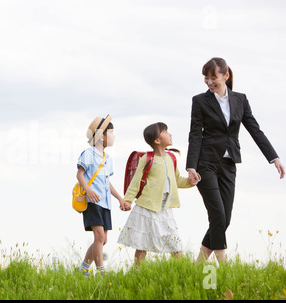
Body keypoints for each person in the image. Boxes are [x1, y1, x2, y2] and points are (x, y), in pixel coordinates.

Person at [186, 57, 285, 263]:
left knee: (225, 219)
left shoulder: (241, 99)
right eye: (206, 78)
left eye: (214, 77)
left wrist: (274, 157)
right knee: (217, 215)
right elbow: (195, 134)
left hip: (229, 163)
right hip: (206, 163)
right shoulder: (200, 101)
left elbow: (254, 129)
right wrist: (191, 166)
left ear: (226, 75)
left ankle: (198, 265)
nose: (209, 82)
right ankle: (224, 267)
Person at [118, 122, 194, 266]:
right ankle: (137, 273)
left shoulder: (171, 158)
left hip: (165, 209)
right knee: (142, 245)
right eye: (165, 132)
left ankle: (180, 272)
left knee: (176, 244)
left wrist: (192, 182)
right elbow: (135, 182)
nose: (170, 134)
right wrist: (127, 200)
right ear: (157, 141)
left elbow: (177, 181)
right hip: (147, 208)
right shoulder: (147, 159)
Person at [76, 114, 130, 275]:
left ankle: (83, 270)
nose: (114, 137)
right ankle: (101, 272)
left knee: (103, 240)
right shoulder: (88, 153)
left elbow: (107, 183)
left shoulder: (108, 158)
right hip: (92, 201)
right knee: (99, 236)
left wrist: (120, 198)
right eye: (111, 133)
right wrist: (88, 190)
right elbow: (80, 174)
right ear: (101, 136)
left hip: (105, 202)